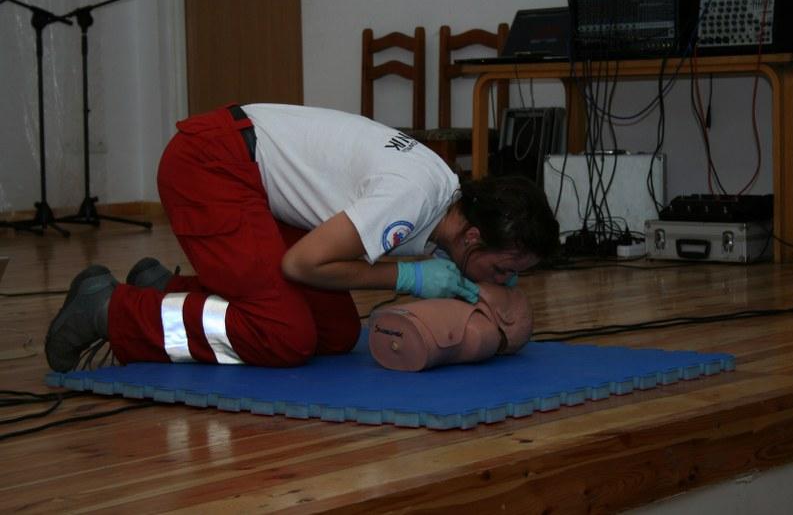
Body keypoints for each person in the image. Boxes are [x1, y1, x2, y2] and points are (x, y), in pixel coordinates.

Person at [45, 104, 559, 372]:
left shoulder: (445, 195)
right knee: (283, 337)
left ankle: (166, 292)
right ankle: (109, 310)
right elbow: (303, 265)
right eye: (502, 269)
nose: (504, 282)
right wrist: (409, 277)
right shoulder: (413, 198)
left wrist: (416, 275)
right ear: (472, 236)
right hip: (210, 165)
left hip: (252, 179)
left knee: (335, 334)